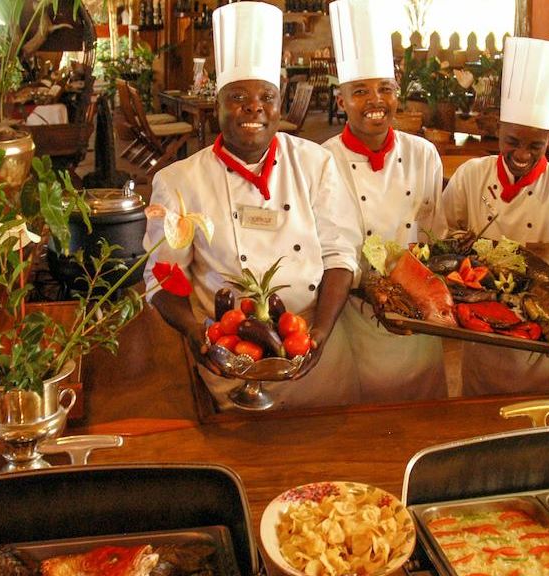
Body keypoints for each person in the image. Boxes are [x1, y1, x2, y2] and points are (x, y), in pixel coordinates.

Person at [143, 1, 362, 410]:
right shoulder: (178, 183)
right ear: (218, 106)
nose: (254, 106)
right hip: (229, 367)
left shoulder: (316, 164)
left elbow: (339, 255)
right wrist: (196, 333)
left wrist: (321, 332)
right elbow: (162, 277)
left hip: (318, 362)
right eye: (237, 96)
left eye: (267, 96)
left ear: (279, 104)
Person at [443, 37, 549, 395]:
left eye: (535, 145)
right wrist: (456, 245)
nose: (522, 154)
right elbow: (444, 234)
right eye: (512, 141)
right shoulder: (470, 176)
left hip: (545, 340)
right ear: (497, 129)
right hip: (482, 331)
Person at [321, 0, 447, 402]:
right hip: (356, 318)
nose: (375, 101)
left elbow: (434, 234)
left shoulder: (424, 153)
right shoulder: (321, 160)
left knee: (425, 419)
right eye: (360, 91)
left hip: (421, 321)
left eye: (385, 89)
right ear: (341, 101)